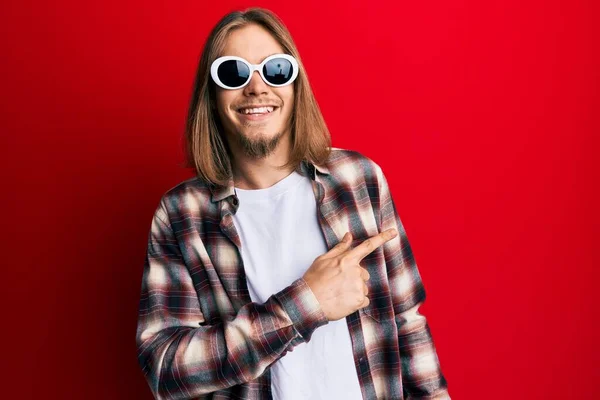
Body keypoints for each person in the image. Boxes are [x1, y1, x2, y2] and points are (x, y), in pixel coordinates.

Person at [136, 7, 450, 400]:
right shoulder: (182, 214)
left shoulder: (359, 178)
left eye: (276, 70)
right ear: (212, 95)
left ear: (295, 84)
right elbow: (164, 366)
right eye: (233, 73)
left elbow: (406, 321)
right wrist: (305, 304)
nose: (256, 88)